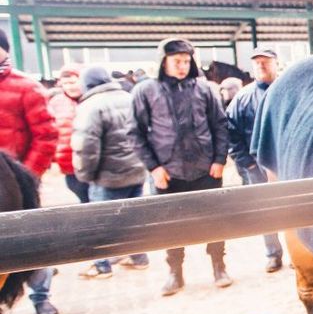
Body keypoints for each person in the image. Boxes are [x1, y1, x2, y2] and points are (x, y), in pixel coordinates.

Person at [130, 37, 231, 295]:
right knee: (171, 226)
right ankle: (175, 273)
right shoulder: (145, 91)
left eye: (187, 61)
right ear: (163, 62)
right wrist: (154, 168)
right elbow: (136, 133)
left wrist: (219, 159)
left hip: (206, 170)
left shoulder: (205, 89)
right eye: (177, 61)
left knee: (214, 221)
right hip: (168, 172)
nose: (182, 66)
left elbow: (219, 124)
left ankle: (219, 266)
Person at [0, 27, 66, 314]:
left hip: (14, 184)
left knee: (31, 240)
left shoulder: (26, 87)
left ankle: (41, 297)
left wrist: (26, 177)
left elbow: (46, 134)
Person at [72, 66, 151, 278]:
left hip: (108, 177)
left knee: (101, 223)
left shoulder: (91, 106)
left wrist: (85, 176)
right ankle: (139, 258)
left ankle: (102, 265)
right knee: (133, 218)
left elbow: (86, 147)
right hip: (136, 171)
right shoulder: (129, 97)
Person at [226, 48, 284, 272]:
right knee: (265, 211)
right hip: (257, 166)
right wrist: (247, 163)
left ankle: (301, 250)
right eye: (257, 62)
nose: (261, 66)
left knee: (297, 206)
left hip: (288, 163)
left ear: (276, 64)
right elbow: (231, 133)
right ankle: (273, 253)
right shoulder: (242, 98)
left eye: (266, 62)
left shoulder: (289, 90)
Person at [46, 63, 89, 204]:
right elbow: (49, 133)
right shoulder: (55, 103)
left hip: (94, 167)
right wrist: (52, 160)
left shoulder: (92, 100)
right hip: (69, 167)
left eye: (73, 82)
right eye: (65, 83)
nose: (70, 86)